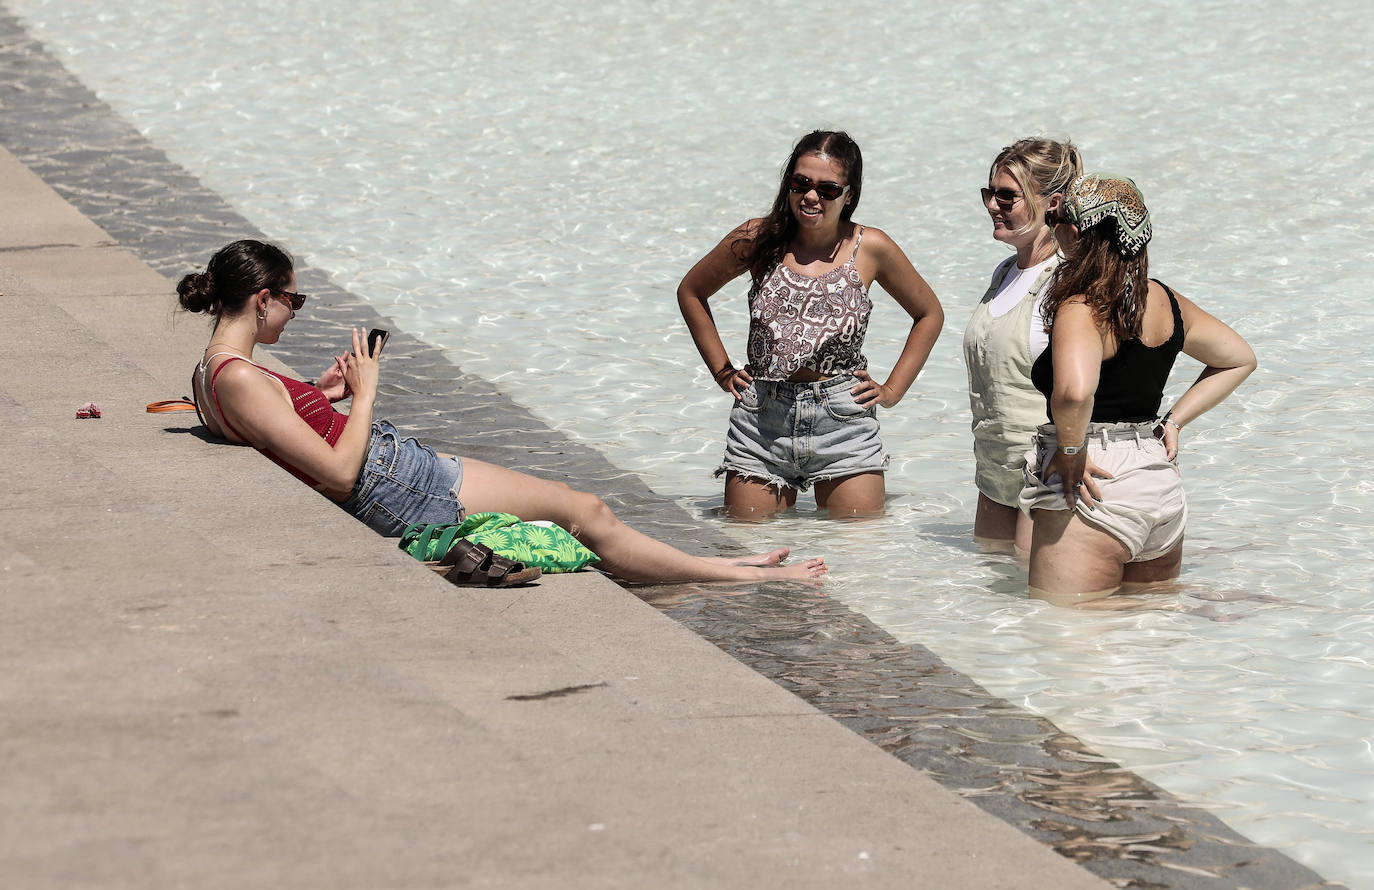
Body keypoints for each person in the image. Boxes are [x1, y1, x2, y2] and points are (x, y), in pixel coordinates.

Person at [178, 239, 827, 585]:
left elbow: (281, 429)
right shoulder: (240, 381)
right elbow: (340, 475)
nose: (296, 309)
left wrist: (322, 397)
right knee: (585, 515)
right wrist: (368, 390)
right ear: (262, 298)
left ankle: (725, 568)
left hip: (397, 470)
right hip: (395, 485)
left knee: (577, 515)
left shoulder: (210, 371)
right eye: (294, 297)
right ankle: (735, 574)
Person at [678, 130, 944, 518]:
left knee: (856, 555)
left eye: (828, 189)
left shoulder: (870, 247)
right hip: (761, 420)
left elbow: (929, 314)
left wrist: (892, 390)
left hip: (843, 420)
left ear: (849, 195)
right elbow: (692, 291)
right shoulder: (759, 237)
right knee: (748, 548)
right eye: (801, 183)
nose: (811, 196)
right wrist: (721, 370)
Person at [1019, 174, 1256, 603]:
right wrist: (1174, 422)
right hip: (1156, 479)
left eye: (1055, 221)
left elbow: (1074, 393)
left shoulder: (1081, 306)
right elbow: (1239, 358)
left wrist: (1071, 453)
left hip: (1095, 482)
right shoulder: (1165, 301)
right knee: (1147, 645)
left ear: (1075, 232)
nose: (1052, 230)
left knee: (1062, 647)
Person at [963, 138, 1082, 552]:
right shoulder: (1003, 272)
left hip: (1047, 475)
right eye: (989, 194)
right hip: (994, 469)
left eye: (1007, 196)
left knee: (1044, 607)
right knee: (993, 591)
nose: (993, 205)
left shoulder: (1068, 279)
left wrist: (1074, 451)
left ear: (1052, 202)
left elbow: (1093, 382)